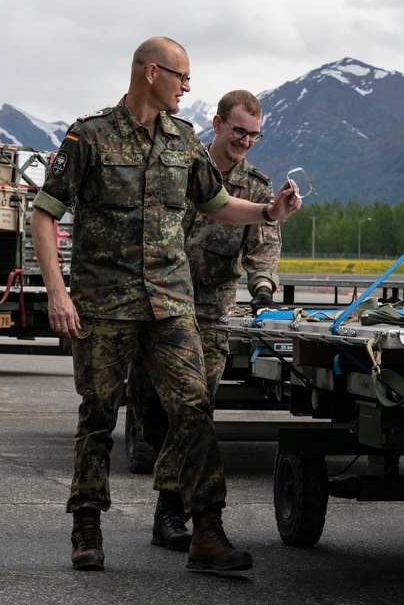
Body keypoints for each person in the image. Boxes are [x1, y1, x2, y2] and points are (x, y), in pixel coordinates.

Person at [30, 37, 301, 572]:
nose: (186, 87)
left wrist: (268, 212)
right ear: (151, 72)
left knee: (194, 408)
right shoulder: (90, 137)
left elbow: (218, 205)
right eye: (181, 77)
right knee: (99, 416)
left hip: (171, 302)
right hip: (104, 303)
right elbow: (44, 213)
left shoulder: (184, 141)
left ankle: (206, 531)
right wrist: (57, 293)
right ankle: (86, 525)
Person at [127, 89, 281, 553]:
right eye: (239, 132)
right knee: (147, 406)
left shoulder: (256, 186)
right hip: (155, 308)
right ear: (217, 124)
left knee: (193, 411)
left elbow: (263, 244)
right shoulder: (178, 164)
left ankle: (171, 510)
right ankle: (171, 491)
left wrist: (263, 288)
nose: (246, 142)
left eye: (254, 135)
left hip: (209, 316)